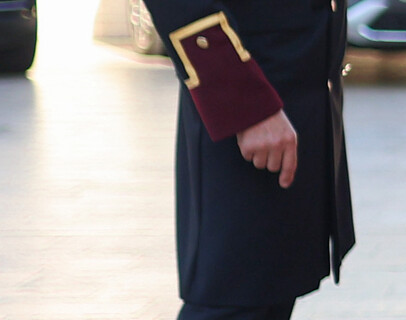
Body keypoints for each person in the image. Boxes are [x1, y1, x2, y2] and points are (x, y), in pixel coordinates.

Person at [146, 0, 355, 317]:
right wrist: (245, 105)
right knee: (236, 298)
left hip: (300, 82)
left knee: (272, 293)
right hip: (250, 85)